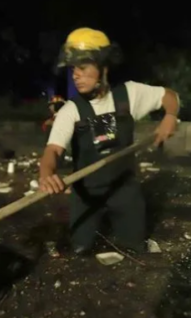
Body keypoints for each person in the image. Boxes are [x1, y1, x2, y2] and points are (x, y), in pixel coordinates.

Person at [38, 28, 180, 254]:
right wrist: (47, 174)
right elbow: (52, 151)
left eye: (83, 68)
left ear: (103, 68)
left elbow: (170, 96)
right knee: (80, 249)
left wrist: (170, 116)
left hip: (124, 188)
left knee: (134, 246)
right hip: (86, 193)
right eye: (74, 69)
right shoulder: (70, 110)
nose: (75, 75)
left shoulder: (129, 94)